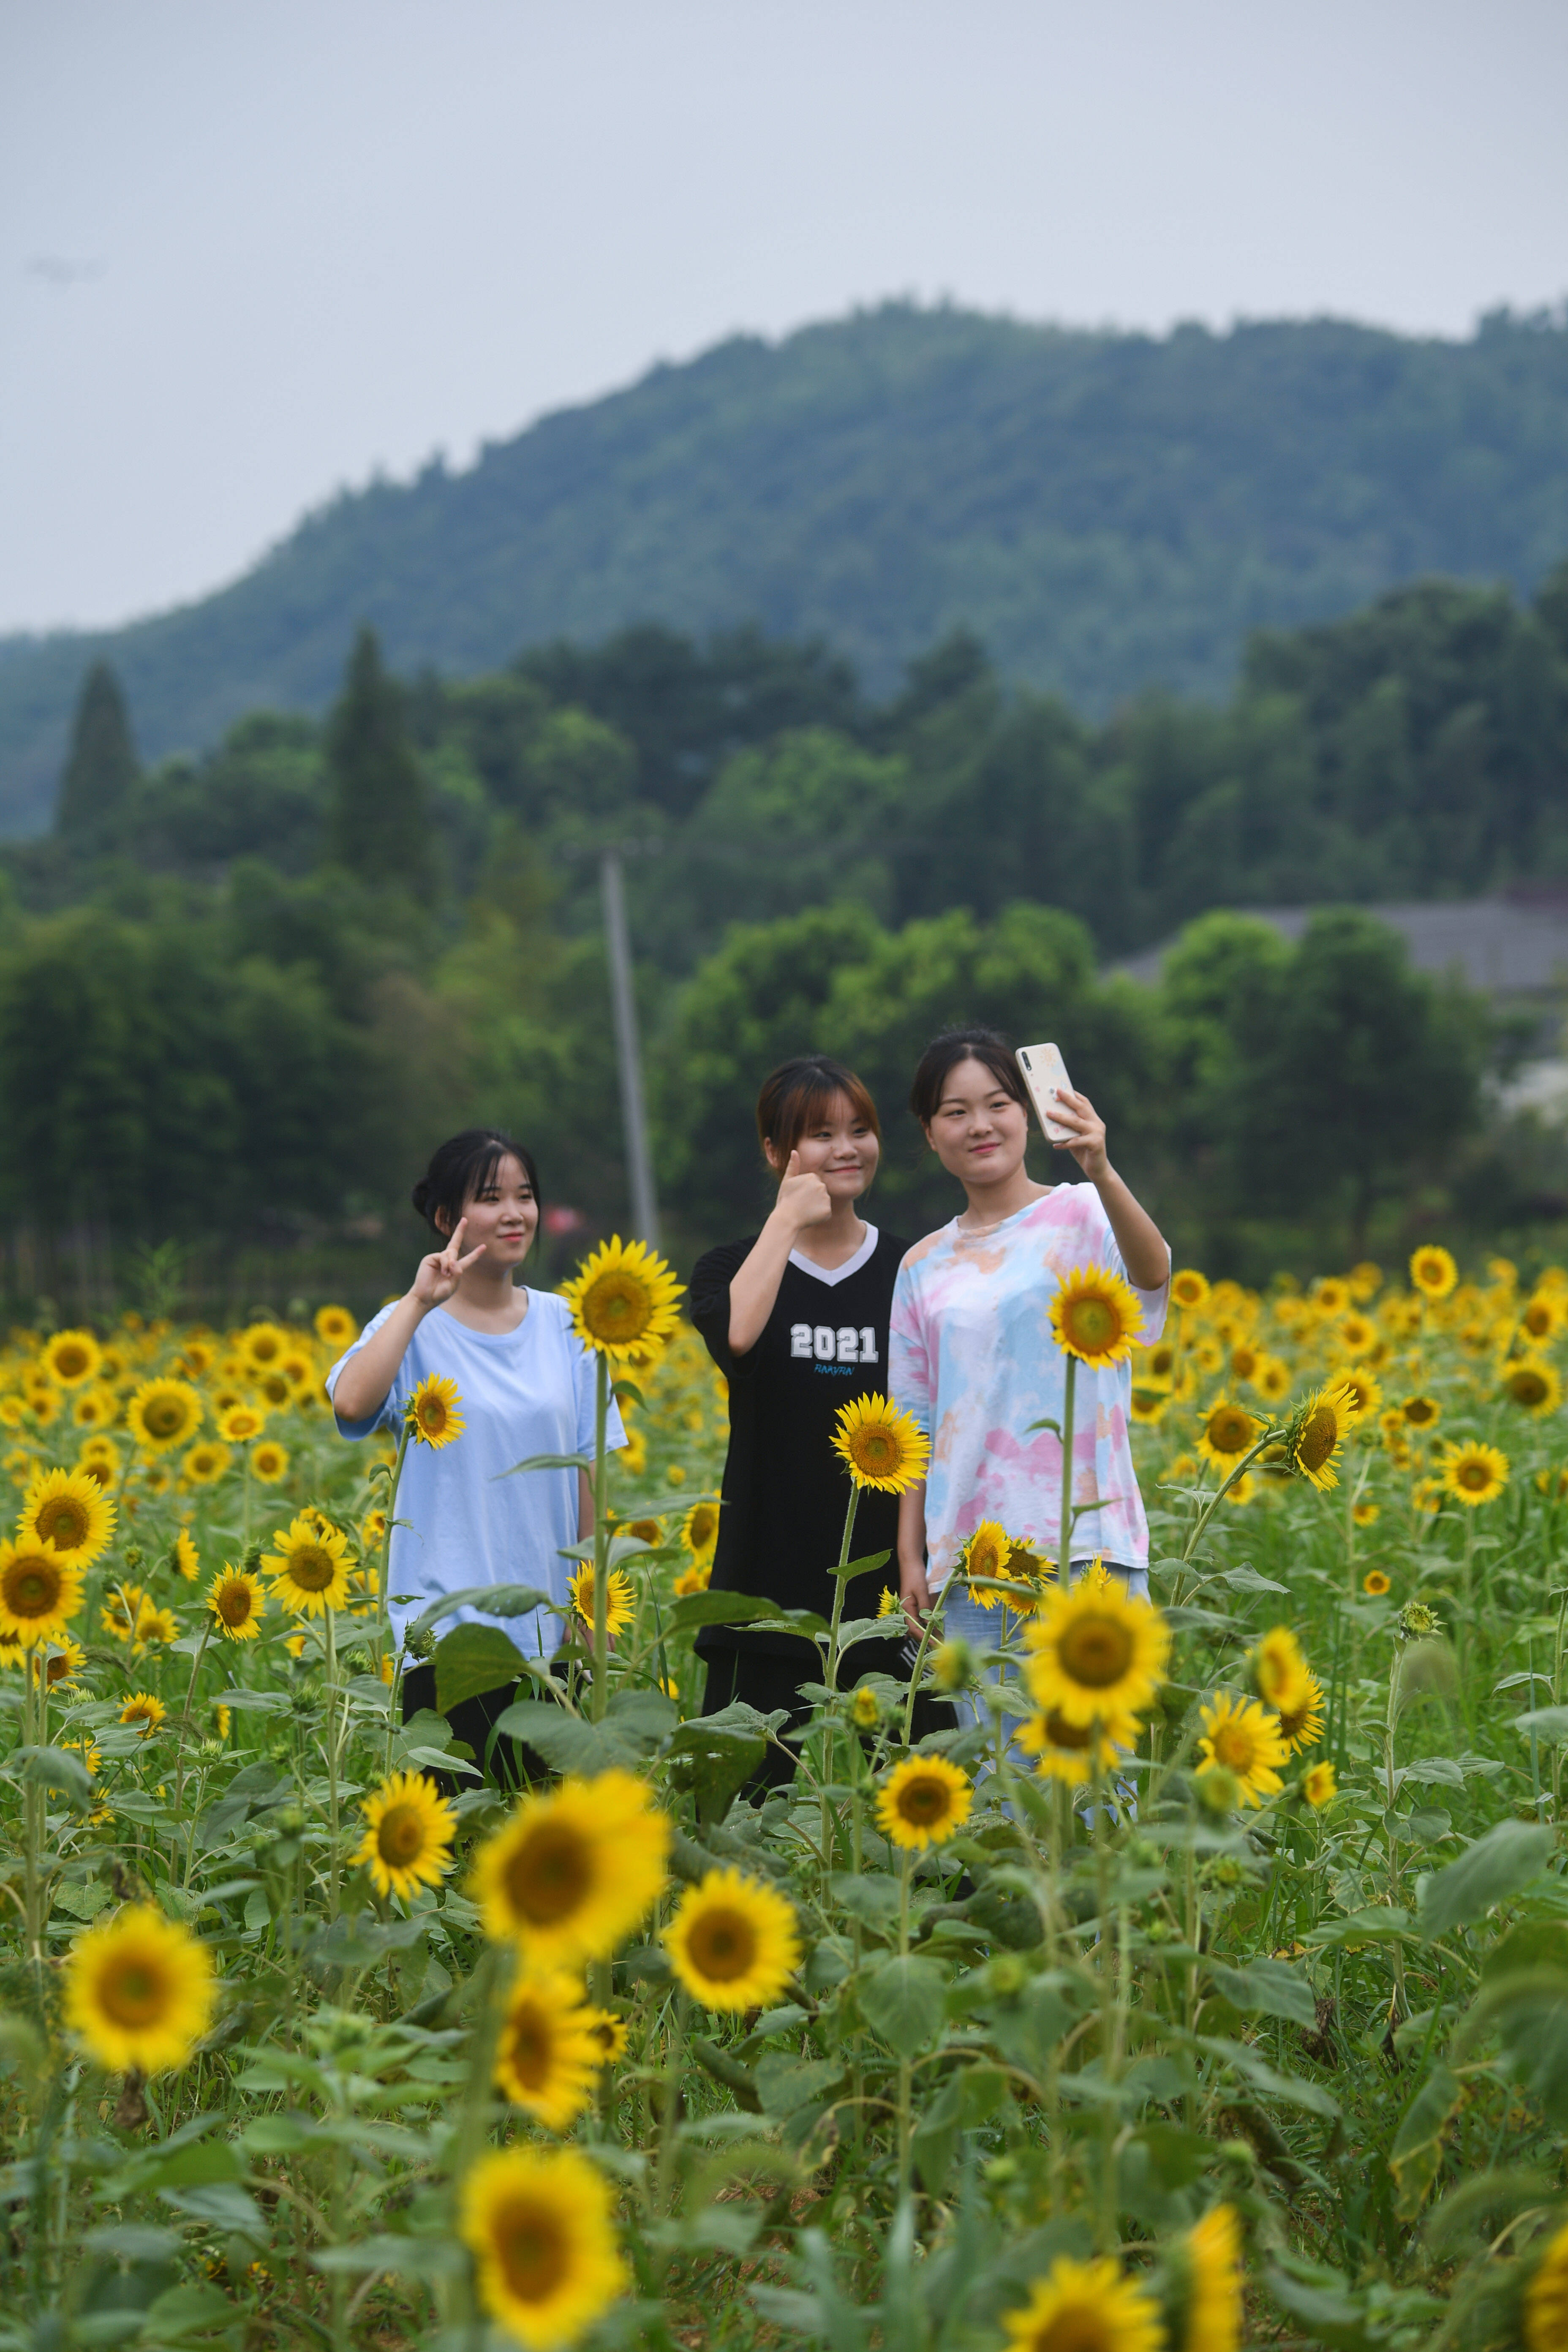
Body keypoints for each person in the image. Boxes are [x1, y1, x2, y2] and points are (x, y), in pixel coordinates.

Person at [325, 1127, 622, 1773]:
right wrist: (417, 1302)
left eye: (526, 1195)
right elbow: (351, 1406)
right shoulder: (411, 1326)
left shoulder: (570, 1325)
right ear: (444, 1218)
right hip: (444, 1637)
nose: (515, 1213)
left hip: (546, 1634)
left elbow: (588, 1472)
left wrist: (588, 1605)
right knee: (455, 1837)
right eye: (491, 1197)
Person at [689, 1056, 941, 1786]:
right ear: (776, 1153)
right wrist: (787, 1220)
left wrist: (918, 1555)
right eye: (821, 1134)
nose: (846, 1149)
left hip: (893, 1589)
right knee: (745, 1814)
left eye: (860, 1130)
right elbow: (739, 1336)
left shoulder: (913, 1269)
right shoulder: (729, 1267)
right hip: (767, 1585)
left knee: (922, 1811)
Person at [889, 1028, 1170, 1669]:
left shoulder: (1083, 1213)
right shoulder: (921, 1266)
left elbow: (1152, 1277)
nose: (980, 1126)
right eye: (955, 1113)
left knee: (1103, 1764)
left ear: (1028, 1113)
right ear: (931, 1134)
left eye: (998, 1105)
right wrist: (913, 1559)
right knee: (995, 1766)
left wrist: (1100, 1167)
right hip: (973, 1562)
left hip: (1088, 1542)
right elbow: (914, 1425)